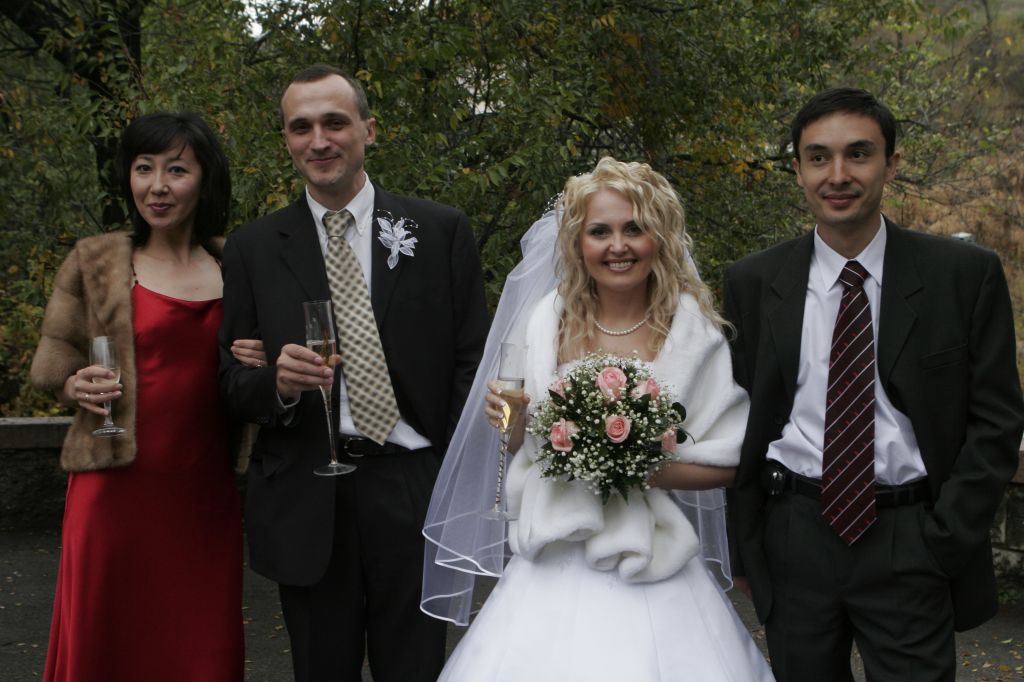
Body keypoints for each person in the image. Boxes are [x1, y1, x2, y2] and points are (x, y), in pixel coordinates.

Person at [422, 157, 774, 681]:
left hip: (652, 558)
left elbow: (731, 458)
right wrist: (512, 424)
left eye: (634, 229)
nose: (617, 246)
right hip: (552, 555)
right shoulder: (547, 321)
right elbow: (523, 445)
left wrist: (630, 465)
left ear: (659, 237)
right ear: (577, 242)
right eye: (600, 231)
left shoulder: (693, 332)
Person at [724, 87, 1024, 681]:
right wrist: (747, 545)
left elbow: (997, 420)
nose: (838, 175)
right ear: (798, 170)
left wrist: (945, 538)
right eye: (819, 157)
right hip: (794, 534)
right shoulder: (753, 281)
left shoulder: (963, 275)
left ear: (892, 163)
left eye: (858, 154)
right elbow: (739, 418)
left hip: (910, 538)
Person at [217, 64, 488, 682]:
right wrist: (277, 385)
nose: (319, 140)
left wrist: (447, 476)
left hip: (413, 487)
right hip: (308, 491)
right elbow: (229, 382)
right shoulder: (253, 249)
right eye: (301, 127)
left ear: (369, 129)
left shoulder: (439, 231)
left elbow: (471, 361)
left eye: (334, 122)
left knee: (416, 670)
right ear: (287, 139)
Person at [30, 112, 264, 681]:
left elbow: (263, 372)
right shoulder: (97, 260)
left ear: (205, 179)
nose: (157, 186)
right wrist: (72, 382)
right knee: (111, 642)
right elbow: (53, 359)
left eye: (176, 170)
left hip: (202, 495)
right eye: (143, 168)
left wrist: (259, 359)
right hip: (113, 492)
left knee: (199, 648)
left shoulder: (238, 264)